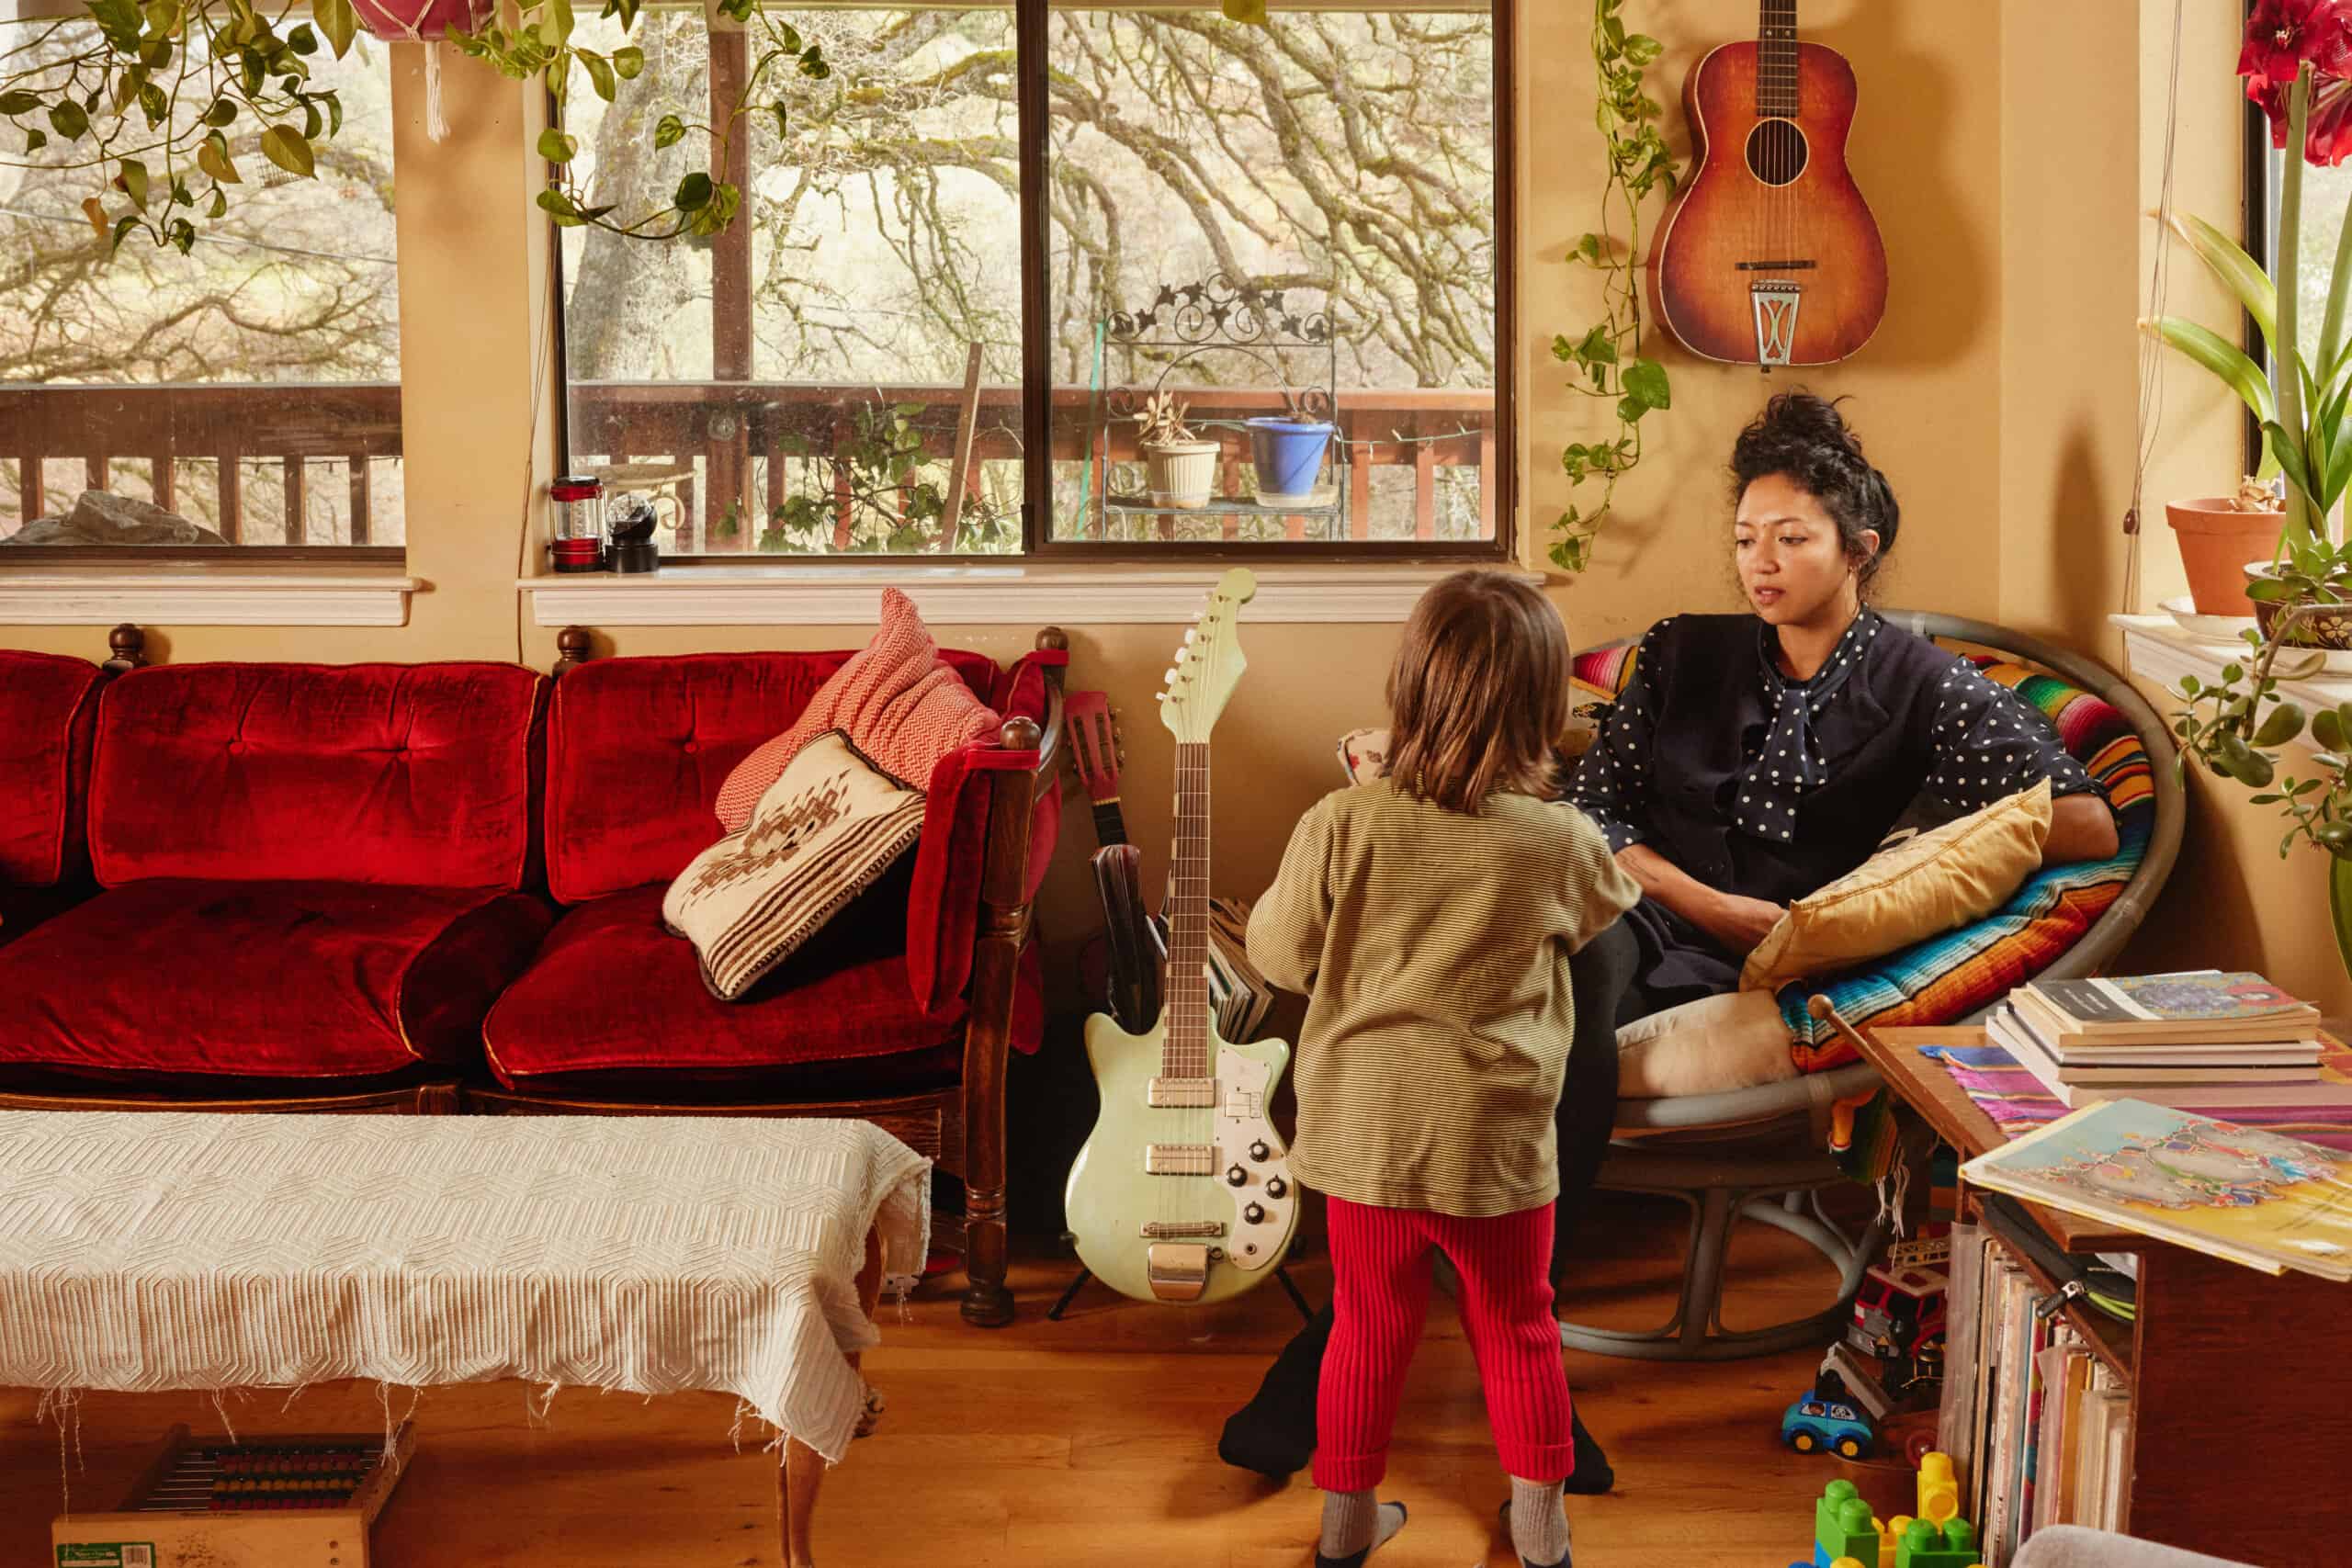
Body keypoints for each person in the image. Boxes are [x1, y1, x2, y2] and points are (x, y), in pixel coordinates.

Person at [1244, 569, 1642, 1568]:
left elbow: (1279, 955)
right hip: (1492, 1135)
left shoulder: (1346, 820)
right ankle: (1542, 1532)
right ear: (1545, 704)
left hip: (1364, 1126)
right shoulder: (1561, 841)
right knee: (1518, 1323)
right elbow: (1605, 918)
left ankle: (1344, 1529)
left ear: (1409, 689)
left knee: (1368, 1325)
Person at [1566, 391, 2119, 1021]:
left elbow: (2088, 824)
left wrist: (1914, 852)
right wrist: (1711, 907)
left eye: (1792, 538)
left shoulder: (1929, 687)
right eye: (1746, 540)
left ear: (1858, 550)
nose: (1760, 562)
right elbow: (1587, 811)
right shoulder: (1681, 653)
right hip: (1636, 914)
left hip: (1789, 964)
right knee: (1561, 974)